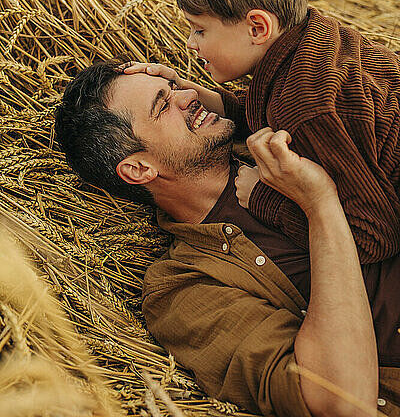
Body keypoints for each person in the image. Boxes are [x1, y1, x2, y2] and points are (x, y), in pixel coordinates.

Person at [55, 62, 400, 417]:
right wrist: (320, 205)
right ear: (140, 169)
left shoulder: (284, 128)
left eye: (175, 87)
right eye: (163, 105)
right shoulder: (183, 288)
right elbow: (340, 402)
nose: (189, 95)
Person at [123, 0, 400, 265]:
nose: (192, 44)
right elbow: (267, 108)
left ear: (257, 27)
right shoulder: (317, 43)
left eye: (200, 30)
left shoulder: (308, 107)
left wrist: (264, 199)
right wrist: (194, 93)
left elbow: (373, 236)